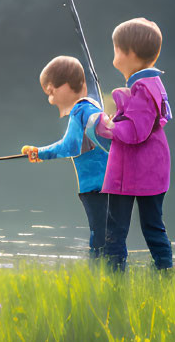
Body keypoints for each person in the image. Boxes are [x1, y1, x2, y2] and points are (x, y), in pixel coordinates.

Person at [94, 17, 173, 271]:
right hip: (152, 169)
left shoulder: (142, 87)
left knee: (116, 229)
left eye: (116, 49)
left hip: (131, 172)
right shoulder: (151, 85)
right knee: (153, 225)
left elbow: (136, 131)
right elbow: (147, 120)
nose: (114, 54)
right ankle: (164, 273)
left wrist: (107, 126)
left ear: (129, 53)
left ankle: (115, 278)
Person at [21, 55, 110, 258]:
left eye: (51, 92)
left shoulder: (80, 111)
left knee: (99, 237)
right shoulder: (92, 108)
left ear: (65, 86)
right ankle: (112, 275)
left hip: (97, 187)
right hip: (106, 184)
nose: (50, 99)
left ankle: (102, 276)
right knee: (108, 235)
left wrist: (39, 153)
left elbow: (70, 146)